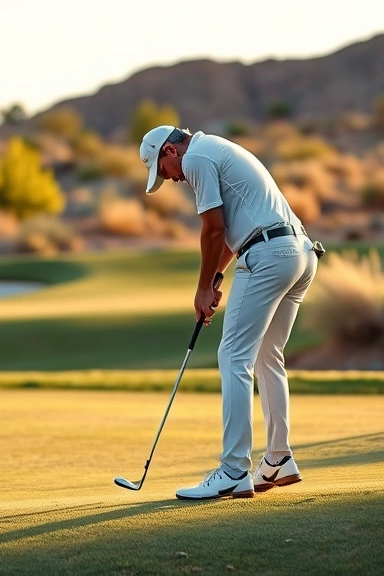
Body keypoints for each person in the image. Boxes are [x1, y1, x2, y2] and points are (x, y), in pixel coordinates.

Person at [138, 124, 321, 500]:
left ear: (170, 153)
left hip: (269, 255)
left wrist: (204, 287)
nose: (170, 181)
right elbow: (229, 233)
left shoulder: (198, 158)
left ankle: (234, 470)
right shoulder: (215, 148)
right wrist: (217, 275)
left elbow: (213, 229)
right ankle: (277, 460)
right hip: (299, 253)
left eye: (164, 172)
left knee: (233, 355)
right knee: (268, 356)